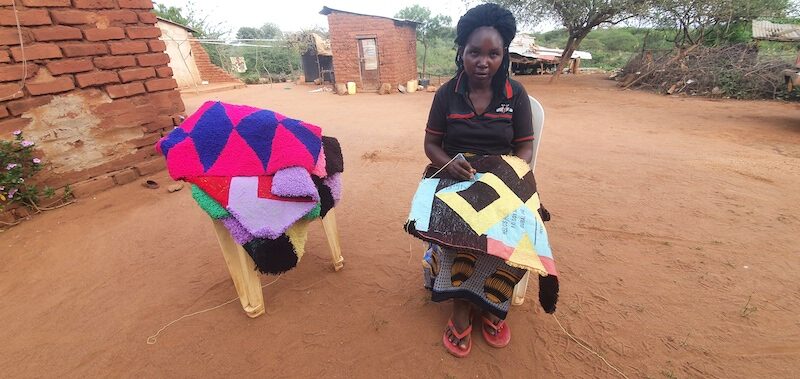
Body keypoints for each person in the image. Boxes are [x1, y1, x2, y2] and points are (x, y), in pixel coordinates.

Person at [422, 3, 536, 357]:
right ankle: (460, 307)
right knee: (459, 231)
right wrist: (450, 163)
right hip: (452, 175)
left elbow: (525, 150)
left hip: (502, 178)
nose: (483, 61)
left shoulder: (515, 95)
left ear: (504, 56)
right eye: (474, 52)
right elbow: (430, 145)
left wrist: (507, 177)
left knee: (517, 231)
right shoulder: (447, 94)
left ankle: (491, 302)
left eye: (493, 53)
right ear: (462, 52)